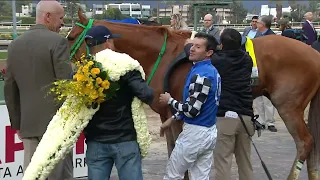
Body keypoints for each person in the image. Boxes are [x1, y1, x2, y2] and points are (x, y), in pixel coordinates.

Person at [4, 1, 73, 179]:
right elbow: (65, 85)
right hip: (56, 126)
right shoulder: (58, 42)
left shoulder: (14, 45)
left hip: (28, 125)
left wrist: (17, 124)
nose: (62, 23)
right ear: (48, 16)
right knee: (59, 175)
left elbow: (10, 87)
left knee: (32, 175)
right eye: (61, 18)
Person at [83, 25, 154, 180]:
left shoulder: (83, 70)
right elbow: (146, 95)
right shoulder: (125, 66)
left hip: (96, 141)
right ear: (108, 42)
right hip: (125, 139)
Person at [159, 32, 220, 180]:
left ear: (209, 53)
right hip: (208, 131)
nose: (192, 49)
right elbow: (198, 104)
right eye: (192, 45)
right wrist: (173, 118)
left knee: (173, 175)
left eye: (198, 47)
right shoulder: (210, 70)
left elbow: (191, 110)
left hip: (195, 133)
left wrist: (170, 100)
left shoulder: (201, 75)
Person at [213, 28, 255, 180]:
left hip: (225, 117)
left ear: (222, 44)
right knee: (245, 163)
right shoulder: (247, 59)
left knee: (222, 162)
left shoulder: (216, 60)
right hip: (246, 117)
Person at [255, 15, 277, 132]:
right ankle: (261, 120)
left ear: (262, 24)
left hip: (268, 73)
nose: (256, 24)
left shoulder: (272, 37)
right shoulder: (258, 35)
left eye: (258, 22)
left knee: (268, 100)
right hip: (258, 71)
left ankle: (270, 122)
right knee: (258, 98)